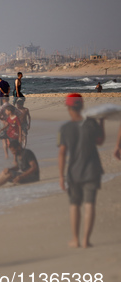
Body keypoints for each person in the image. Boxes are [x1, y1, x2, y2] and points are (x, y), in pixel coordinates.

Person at [58, 93, 105, 248]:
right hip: (92, 169)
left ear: (69, 108)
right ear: (82, 106)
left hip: (74, 171)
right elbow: (100, 142)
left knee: (74, 204)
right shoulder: (91, 123)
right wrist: (102, 122)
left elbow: (62, 153)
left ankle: (75, 239)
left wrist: (60, 176)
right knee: (90, 203)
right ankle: (86, 240)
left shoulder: (64, 128)